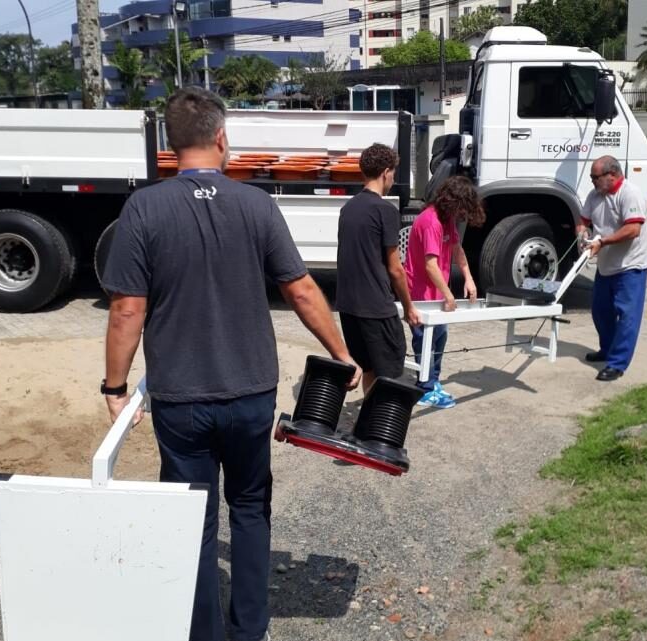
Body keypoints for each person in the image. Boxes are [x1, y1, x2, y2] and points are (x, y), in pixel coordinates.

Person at [101, 86, 361, 641]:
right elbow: (302, 290)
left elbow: (126, 309)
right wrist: (342, 354)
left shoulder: (144, 208)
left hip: (180, 399)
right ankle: (249, 631)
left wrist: (115, 386)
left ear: (170, 148)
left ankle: (203, 634)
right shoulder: (256, 205)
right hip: (249, 394)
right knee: (249, 509)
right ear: (221, 139)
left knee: (190, 522)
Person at [336, 143, 421, 393]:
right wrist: (408, 307)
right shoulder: (385, 210)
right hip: (375, 307)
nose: (393, 179)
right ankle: (380, 426)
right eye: (393, 173)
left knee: (368, 367)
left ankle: (367, 423)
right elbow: (395, 268)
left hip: (348, 307)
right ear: (386, 172)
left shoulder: (347, 209)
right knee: (392, 371)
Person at [403, 176, 485, 408]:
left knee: (440, 337)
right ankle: (424, 388)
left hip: (436, 293)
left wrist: (469, 278)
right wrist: (449, 294)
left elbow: (457, 249)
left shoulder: (446, 219)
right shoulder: (431, 222)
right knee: (424, 339)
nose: (462, 214)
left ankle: (433, 380)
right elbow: (430, 265)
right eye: (462, 208)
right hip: (420, 294)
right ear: (453, 201)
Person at [576, 155, 647, 382]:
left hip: (630, 265)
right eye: (591, 177)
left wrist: (602, 242)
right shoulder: (595, 195)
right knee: (600, 311)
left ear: (612, 174)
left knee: (627, 315)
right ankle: (607, 349)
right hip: (607, 266)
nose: (592, 181)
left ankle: (617, 364)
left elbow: (633, 230)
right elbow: (583, 220)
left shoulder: (629, 194)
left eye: (595, 177)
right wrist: (582, 234)